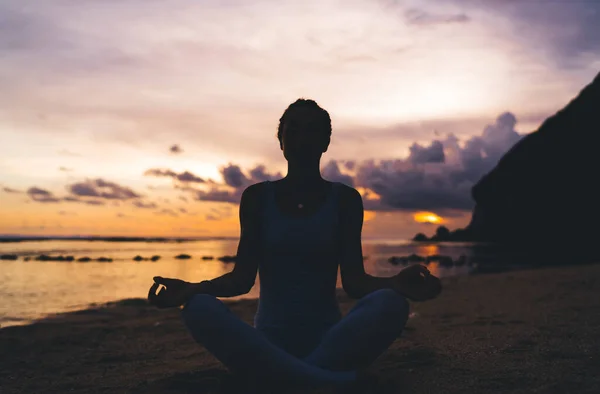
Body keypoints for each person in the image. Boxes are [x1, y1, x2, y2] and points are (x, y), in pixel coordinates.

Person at [147, 98, 442, 390]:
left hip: (332, 341)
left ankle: (287, 379)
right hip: (266, 343)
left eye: (313, 131)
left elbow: (354, 283)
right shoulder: (257, 198)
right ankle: (324, 382)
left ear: (326, 142)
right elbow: (241, 280)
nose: (303, 139)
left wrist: (397, 284)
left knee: (391, 304)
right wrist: (192, 289)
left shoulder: (346, 200)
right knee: (197, 308)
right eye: (294, 130)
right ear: (281, 141)